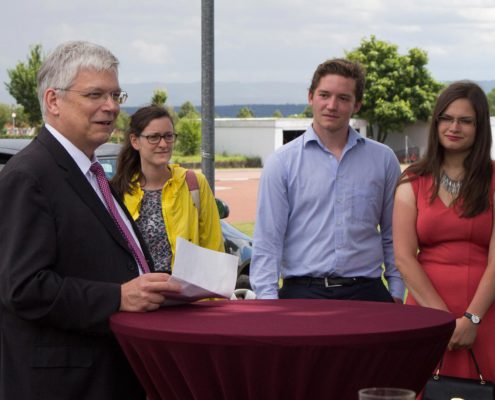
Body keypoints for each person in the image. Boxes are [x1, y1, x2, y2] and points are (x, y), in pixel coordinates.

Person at [0, 41, 181, 400]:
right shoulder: (30, 176)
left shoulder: (92, 173)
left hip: (112, 374)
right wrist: (117, 297)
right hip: (64, 384)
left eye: (116, 94)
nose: (111, 107)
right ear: (53, 101)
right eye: (96, 94)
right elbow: (25, 288)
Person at [250, 58, 404, 302]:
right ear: (311, 97)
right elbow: (268, 241)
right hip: (302, 292)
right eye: (324, 95)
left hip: (368, 293)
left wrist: (396, 292)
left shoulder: (383, 160)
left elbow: (393, 234)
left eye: (343, 98)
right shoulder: (281, 163)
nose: (332, 105)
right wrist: (268, 303)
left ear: (357, 105)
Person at [393, 81, 495, 381]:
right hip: (427, 311)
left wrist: (472, 317)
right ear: (436, 122)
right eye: (447, 118)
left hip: (486, 311)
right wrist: (444, 320)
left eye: (465, 121)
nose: (454, 127)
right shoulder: (413, 180)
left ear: (479, 127)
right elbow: (403, 257)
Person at [111, 105, 224, 272]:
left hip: (187, 295)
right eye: (154, 137)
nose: (163, 144)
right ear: (135, 141)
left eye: (168, 136)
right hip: (138, 294)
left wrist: (209, 297)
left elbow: (213, 248)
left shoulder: (194, 184)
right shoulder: (118, 191)